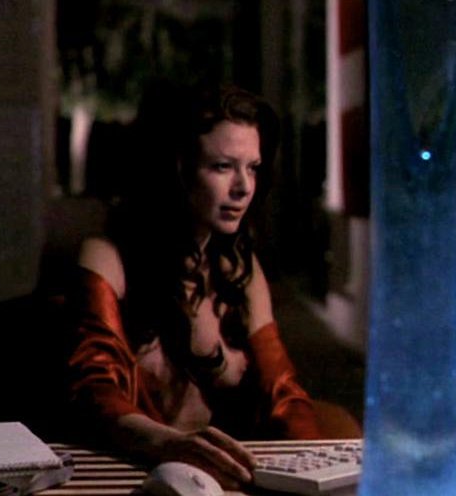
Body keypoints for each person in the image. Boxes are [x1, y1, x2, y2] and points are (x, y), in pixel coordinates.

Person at [65, 83, 323, 489]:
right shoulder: (107, 256)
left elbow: (282, 391)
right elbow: (93, 390)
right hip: (131, 477)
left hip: (223, 484)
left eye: (252, 167)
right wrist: (169, 443)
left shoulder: (241, 270)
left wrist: (322, 470)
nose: (243, 187)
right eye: (222, 166)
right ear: (177, 168)